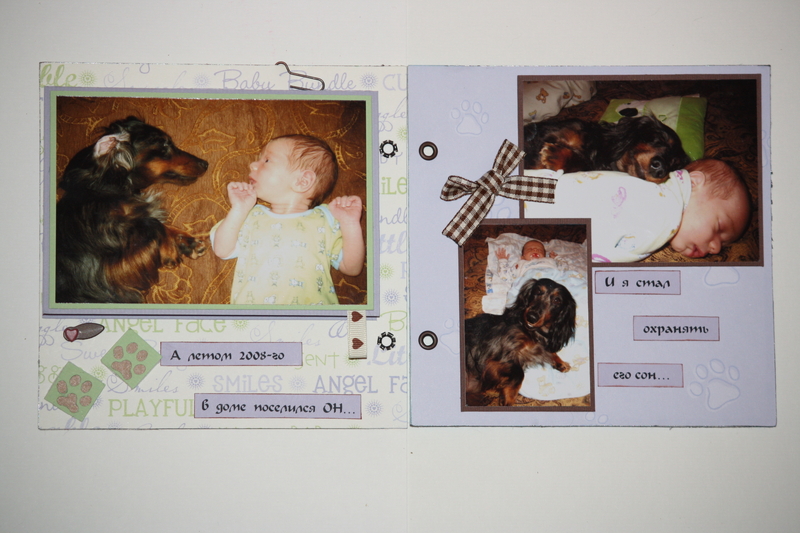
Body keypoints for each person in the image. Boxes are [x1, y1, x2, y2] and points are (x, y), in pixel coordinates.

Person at [211, 134, 365, 305]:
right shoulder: (251, 215)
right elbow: (222, 250)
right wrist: (239, 209)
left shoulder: (326, 218)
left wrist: (350, 223)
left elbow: (352, 268)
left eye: (267, 160)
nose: (252, 165)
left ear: (302, 181)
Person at [523, 158, 751, 262]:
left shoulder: (655, 191)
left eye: (723, 243)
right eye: (719, 227)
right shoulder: (667, 212)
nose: (715, 247)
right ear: (694, 183)